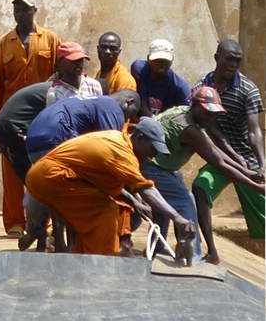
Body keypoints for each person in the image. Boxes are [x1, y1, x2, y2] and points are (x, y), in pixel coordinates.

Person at [25, 119, 196, 256]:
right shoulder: (123, 153)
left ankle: (85, 260)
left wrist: (132, 201)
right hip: (52, 177)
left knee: (114, 211)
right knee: (106, 210)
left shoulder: (118, 139)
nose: (154, 155)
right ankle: (104, 263)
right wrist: (178, 218)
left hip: (46, 177)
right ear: (140, 139)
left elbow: (101, 180)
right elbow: (146, 189)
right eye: (153, 149)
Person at [144, 86, 265, 263]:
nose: (211, 118)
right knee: (186, 202)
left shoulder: (187, 114)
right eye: (207, 112)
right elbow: (219, 163)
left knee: (163, 205)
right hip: (151, 166)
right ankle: (194, 256)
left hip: (161, 166)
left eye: (214, 113)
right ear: (195, 106)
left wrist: (247, 172)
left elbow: (214, 150)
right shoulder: (189, 128)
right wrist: (255, 186)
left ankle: (158, 248)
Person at [23, 90, 141, 253]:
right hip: (57, 138)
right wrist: (133, 197)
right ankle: (77, 248)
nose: (125, 120)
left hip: (33, 143)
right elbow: (113, 154)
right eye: (129, 116)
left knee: (56, 192)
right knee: (85, 196)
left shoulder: (91, 101)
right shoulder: (113, 109)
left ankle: (44, 234)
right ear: (129, 102)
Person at [0, 0, 60, 237]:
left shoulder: (50, 39)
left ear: (35, 10)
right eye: (16, 9)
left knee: (42, 166)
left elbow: (59, 79)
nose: (20, 14)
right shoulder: (3, 44)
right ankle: (15, 222)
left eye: (25, 9)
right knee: (11, 169)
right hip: (11, 118)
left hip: (42, 115)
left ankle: (44, 221)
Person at [191, 40, 265, 264]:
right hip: (221, 158)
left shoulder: (247, 89)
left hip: (248, 160)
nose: (234, 64)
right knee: (201, 187)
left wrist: (261, 164)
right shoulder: (201, 89)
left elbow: (254, 131)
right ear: (216, 58)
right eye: (229, 59)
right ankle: (212, 252)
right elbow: (211, 129)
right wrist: (233, 157)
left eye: (238, 60)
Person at [131, 39, 191, 117]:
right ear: (148, 58)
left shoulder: (180, 87)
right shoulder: (140, 69)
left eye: (165, 61)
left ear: (172, 60)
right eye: (157, 60)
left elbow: (187, 115)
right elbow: (143, 107)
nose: (161, 64)